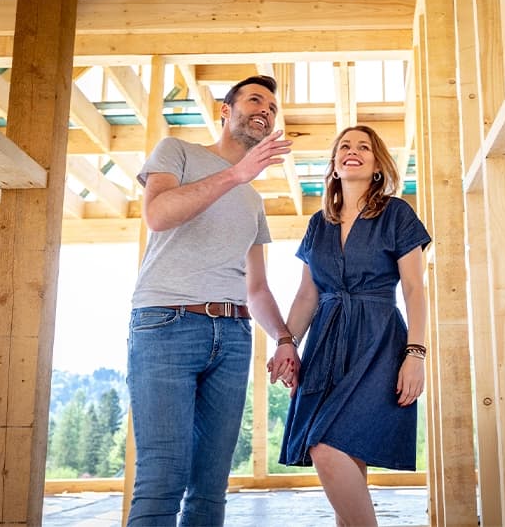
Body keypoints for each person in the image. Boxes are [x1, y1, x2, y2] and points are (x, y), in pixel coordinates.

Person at [126, 75, 300, 526]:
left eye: (273, 108)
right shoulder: (177, 152)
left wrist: (284, 338)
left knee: (210, 486)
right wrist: (236, 174)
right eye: (255, 100)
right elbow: (157, 215)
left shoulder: (253, 200)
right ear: (226, 110)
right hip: (166, 323)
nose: (266, 109)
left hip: (234, 335)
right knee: (162, 476)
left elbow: (257, 287)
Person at [269, 125, 431, 527]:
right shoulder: (318, 224)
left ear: (377, 166)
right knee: (344, 452)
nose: (353, 151)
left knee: (324, 446)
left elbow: (414, 288)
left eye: (364, 147)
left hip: (378, 342)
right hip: (324, 343)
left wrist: (416, 353)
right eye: (345, 146)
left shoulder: (397, 213)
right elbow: (307, 295)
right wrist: (286, 343)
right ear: (335, 164)